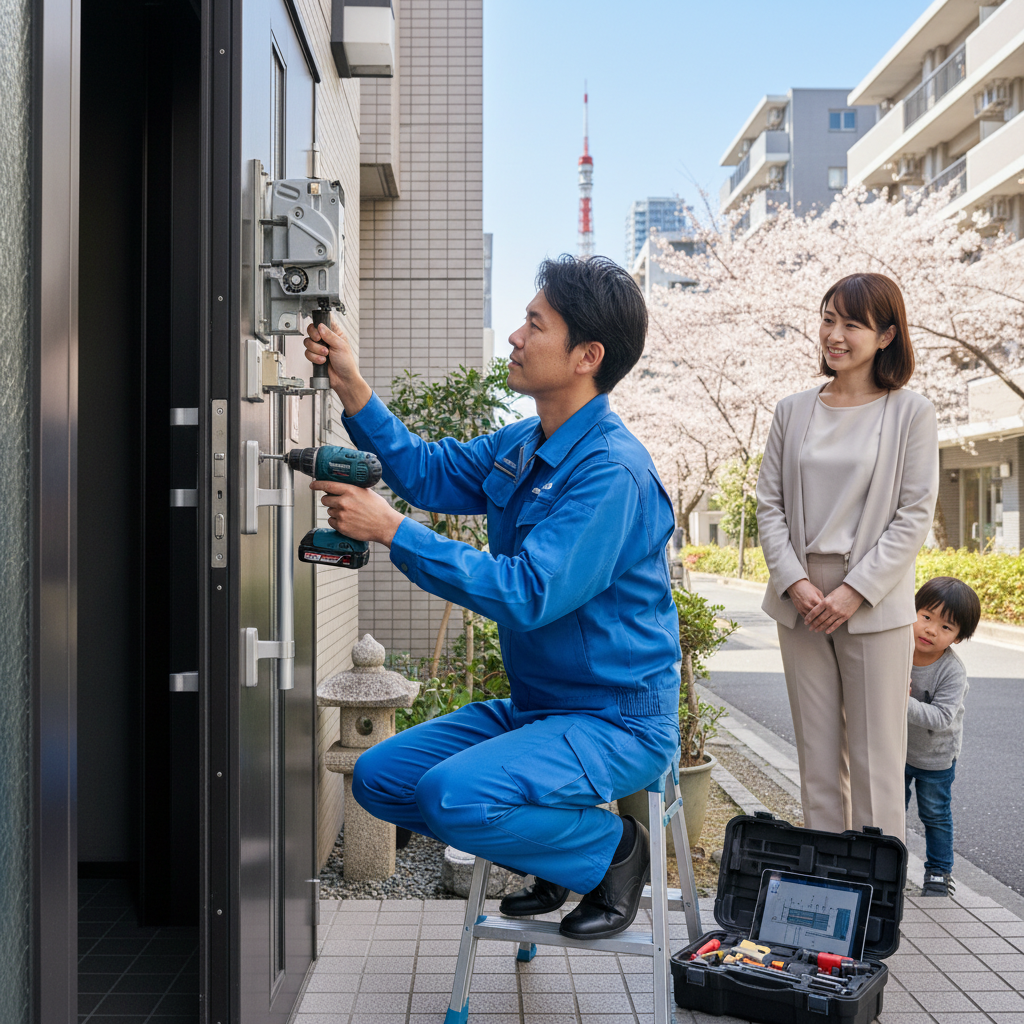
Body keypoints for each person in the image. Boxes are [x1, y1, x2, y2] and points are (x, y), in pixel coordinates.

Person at [303, 255, 682, 940]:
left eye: (535, 324)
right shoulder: (524, 443)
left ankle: (614, 853)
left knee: (453, 795)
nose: (514, 336)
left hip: (617, 721)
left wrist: (392, 531)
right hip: (540, 711)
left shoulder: (612, 474)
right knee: (380, 778)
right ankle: (556, 853)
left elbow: (529, 592)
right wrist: (351, 386)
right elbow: (424, 471)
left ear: (585, 357)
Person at [756, 273, 939, 841]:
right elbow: (769, 505)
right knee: (815, 756)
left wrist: (853, 590)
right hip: (802, 599)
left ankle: (876, 900)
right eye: (828, 319)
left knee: (876, 759)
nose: (834, 335)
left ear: (886, 335)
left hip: (874, 601)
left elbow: (914, 513)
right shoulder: (792, 410)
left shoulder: (910, 412)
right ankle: (827, 892)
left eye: (851, 324)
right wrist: (795, 582)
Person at [906, 576, 979, 897]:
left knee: (934, 814)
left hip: (935, 756)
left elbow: (941, 717)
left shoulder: (951, 671)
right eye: (926, 617)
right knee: (890, 808)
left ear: (959, 638)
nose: (931, 630)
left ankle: (938, 871)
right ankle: (890, 868)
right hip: (896, 750)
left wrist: (899, 700)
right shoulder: (896, 649)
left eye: (946, 627)